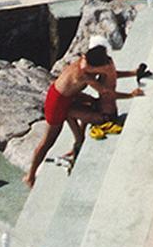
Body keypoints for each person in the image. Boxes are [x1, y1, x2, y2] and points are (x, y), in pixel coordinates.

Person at [24, 46, 111, 186]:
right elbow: (105, 91)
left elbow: (74, 90)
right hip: (57, 103)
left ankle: (78, 140)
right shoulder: (84, 74)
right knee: (48, 141)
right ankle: (30, 175)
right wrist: (108, 72)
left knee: (89, 107)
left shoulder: (83, 62)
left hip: (66, 96)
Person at [85, 36, 147, 137]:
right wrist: (133, 73)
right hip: (109, 111)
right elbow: (114, 75)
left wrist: (131, 95)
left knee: (71, 112)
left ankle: (78, 142)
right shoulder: (109, 64)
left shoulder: (105, 68)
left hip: (106, 115)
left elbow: (109, 94)